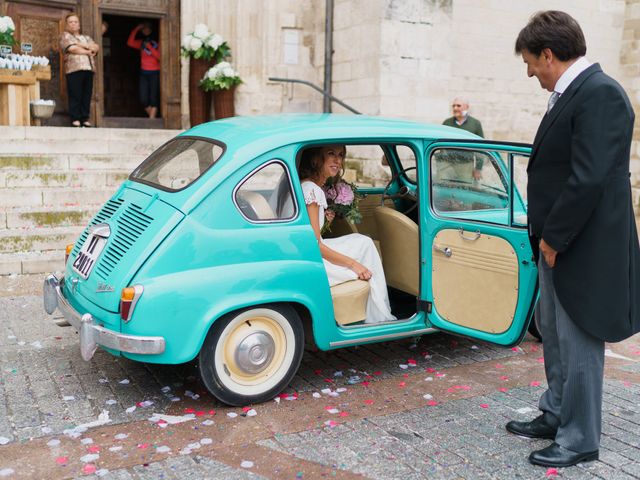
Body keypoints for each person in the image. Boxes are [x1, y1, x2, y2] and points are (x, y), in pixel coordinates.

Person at [507, 10, 640, 468]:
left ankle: (580, 438)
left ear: (549, 54)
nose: (529, 72)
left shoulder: (599, 94)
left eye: (530, 62)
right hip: (558, 242)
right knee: (557, 340)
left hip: (580, 246)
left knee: (580, 342)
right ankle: (556, 412)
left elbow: (588, 179)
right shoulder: (575, 93)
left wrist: (554, 240)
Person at [299, 145, 396, 324]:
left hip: (308, 252)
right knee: (365, 247)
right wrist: (354, 265)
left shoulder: (306, 185)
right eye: (330, 154)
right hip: (314, 259)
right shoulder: (311, 190)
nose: (338, 160)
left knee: (363, 242)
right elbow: (313, 244)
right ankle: (379, 317)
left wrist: (325, 219)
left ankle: (375, 312)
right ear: (315, 159)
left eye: (341, 155)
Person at [59, 13, 98, 127]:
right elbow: (72, 48)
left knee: (87, 94)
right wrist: (87, 50)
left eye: (75, 22)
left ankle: (85, 118)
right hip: (74, 69)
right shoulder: (65, 36)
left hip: (88, 68)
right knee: (75, 94)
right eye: (70, 22)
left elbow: (96, 47)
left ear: (79, 25)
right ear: (67, 25)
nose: (73, 24)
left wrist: (80, 43)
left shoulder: (86, 37)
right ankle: (75, 118)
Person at [442, 97, 484, 180]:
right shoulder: (447, 123)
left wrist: (478, 168)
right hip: (446, 164)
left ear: (467, 107)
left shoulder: (475, 124)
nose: (455, 108)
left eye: (458, 106)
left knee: (465, 189)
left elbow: (481, 147)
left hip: (466, 165)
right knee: (443, 187)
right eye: (453, 106)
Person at [127, 22, 160, 119]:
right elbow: (130, 42)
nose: (145, 31)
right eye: (143, 29)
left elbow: (159, 56)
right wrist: (137, 28)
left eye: (147, 28)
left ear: (151, 29)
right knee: (143, 99)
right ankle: (152, 117)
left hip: (155, 72)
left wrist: (149, 46)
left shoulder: (158, 42)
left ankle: (151, 120)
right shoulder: (141, 43)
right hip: (144, 72)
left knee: (153, 98)